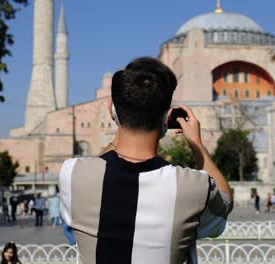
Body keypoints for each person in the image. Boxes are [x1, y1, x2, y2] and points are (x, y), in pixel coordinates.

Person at [59, 57, 233, 264]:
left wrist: (119, 125)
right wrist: (197, 144)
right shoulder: (193, 187)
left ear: (111, 109)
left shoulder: (72, 174)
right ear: (168, 118)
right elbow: (225, 205)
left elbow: (98, 166)